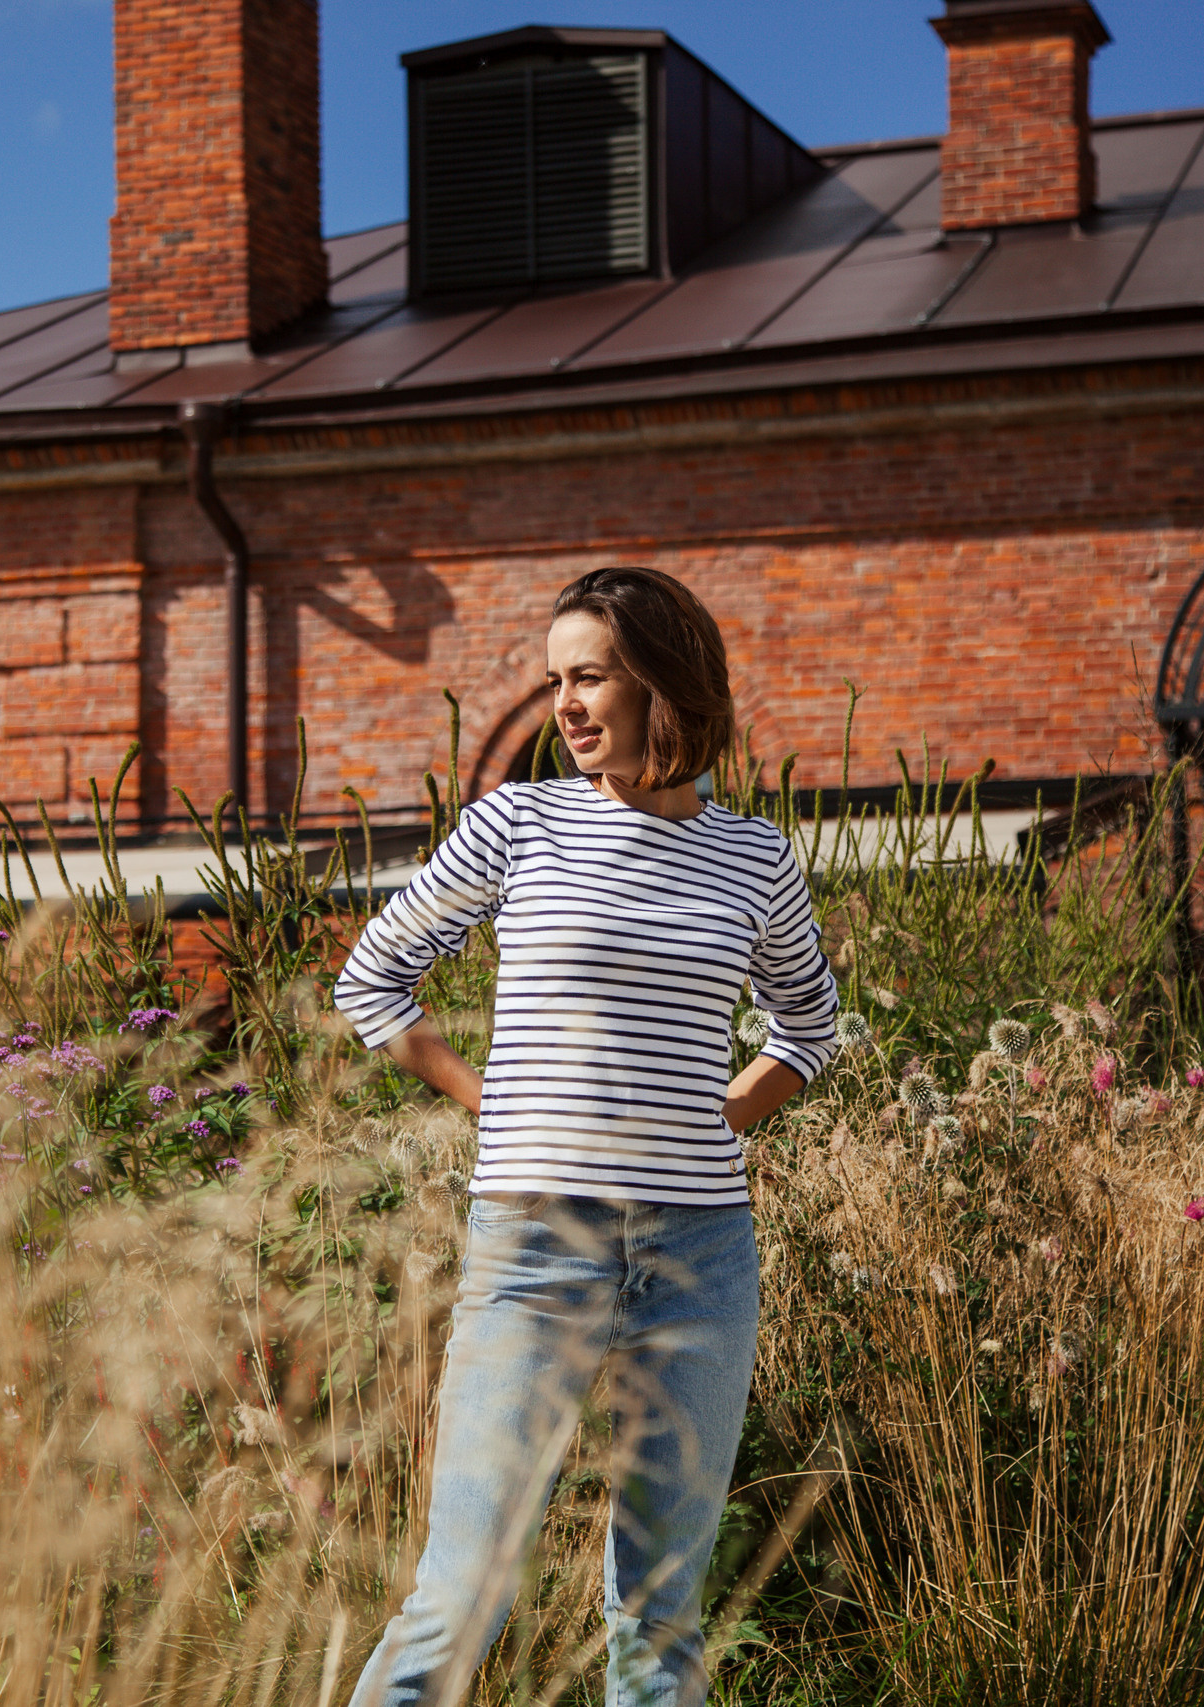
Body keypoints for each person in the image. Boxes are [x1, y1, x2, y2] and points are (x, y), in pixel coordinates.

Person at [332, 566, 838, 1706]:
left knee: (660, 1613)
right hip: (535, 1244)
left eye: (588, 676)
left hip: (700, 1256)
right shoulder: (519, 823)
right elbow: (374, 980)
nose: (564, 704)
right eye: (555, 679)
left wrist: (719, 1118)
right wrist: (490, 1101)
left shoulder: (753, 856)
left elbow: (809, 1023)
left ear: (661, 680)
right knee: (465, 1589)